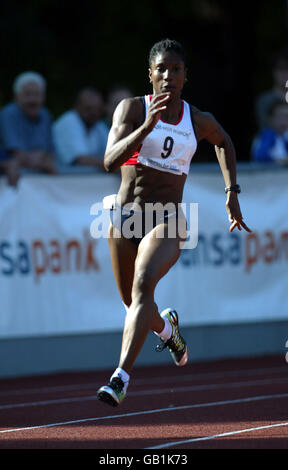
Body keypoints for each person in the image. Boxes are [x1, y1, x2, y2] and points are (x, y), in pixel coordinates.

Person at [96, 39, 251, 407]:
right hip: (124, 218)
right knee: (134, 303)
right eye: (161, 69)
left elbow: (224, 141)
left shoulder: (197, 120)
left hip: (166, 219)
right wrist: (146, 127)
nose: (168, 76)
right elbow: (109, 160)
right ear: (149, 74)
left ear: (185, 76)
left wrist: (231, 190)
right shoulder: (132, 109)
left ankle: (120, 378)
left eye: (176, 70)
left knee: (142, 287)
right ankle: (168, 330)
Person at [0, 71, 56, 177]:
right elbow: (16, 154)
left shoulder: (45, 115)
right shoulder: (8, 114)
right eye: (27, 95)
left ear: (43, 97)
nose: (33, 100)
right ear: (16, 97)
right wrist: (42, 163)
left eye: (37, 94)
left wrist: (43, 161)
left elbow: (51, 155)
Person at [53, 88, 109, 171]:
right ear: (77, 107)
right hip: (56, 180)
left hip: (81, 180)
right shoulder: (68, 122)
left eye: (98, 109)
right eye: (88, 108)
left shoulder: (98, 125)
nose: (94, 113)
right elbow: (81, 160)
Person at [255, 50, 288, 130]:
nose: (285, 73)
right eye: (281, 68)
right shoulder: (264, 100)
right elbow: (264, 128)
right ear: (273, 71)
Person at [251, 99, 288, 163]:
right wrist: (281, 161)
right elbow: (260, 156)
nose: (283, 120)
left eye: (286, 116)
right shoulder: (265, 136)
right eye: (280, 116)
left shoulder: (285, 137)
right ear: (271, 119)